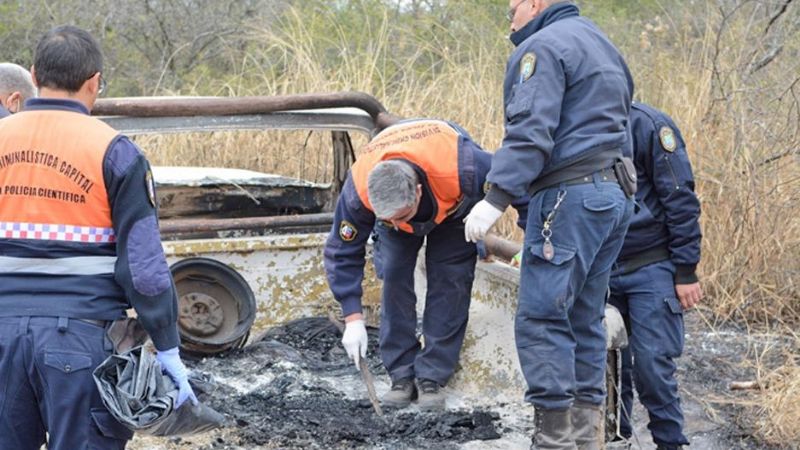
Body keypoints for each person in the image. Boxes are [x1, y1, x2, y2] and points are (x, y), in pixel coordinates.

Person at [0, 26, 195, 450]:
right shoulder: (115, 151)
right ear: (94, 83)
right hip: (79, 342)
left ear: (34, 75)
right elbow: (144, 270)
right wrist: (168, 348)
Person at [463, 1, 635, 448]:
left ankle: (554, 442)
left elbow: (530, 131)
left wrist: (495, 197)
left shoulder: (541, 48)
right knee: (584, 317)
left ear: (535, 2)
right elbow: (622, 124)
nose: (510, 18)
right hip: (612, 197)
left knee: (543, 317)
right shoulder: (602, 43)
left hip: (568, 197)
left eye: (512, 7)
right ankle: (584, 439)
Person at [324, 119, 524, 411]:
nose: (397, 224)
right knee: (393, 272)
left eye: (401, 217)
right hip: (403, 193)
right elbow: (342, 250)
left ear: (417, 191)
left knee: (451, 279)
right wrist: (352, 316)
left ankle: (432, 376)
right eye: (388, 219)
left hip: (455, 207)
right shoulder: (358, 190)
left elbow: (518, 181)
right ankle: (401, 375)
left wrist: (531, 238)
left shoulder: (465, 166)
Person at [608, 102, 702, 450]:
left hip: (651, 264)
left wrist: (686, 270)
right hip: (599, 269)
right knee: (610, 370)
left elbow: (680, 199)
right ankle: (616, 440)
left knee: (651, 366)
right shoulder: (574, 122)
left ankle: (670, 443)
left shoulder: (647, 124)